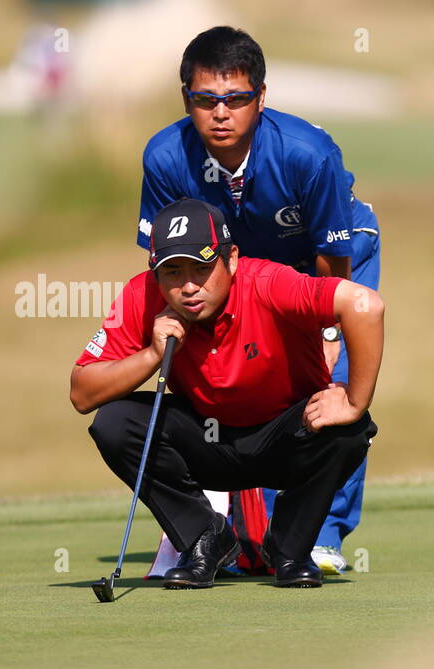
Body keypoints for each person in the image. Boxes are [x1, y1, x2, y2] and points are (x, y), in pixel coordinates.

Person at [137, 25, 380, 576]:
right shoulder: (164, 156)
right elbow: (162, 262)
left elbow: (330, 266)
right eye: (205, 100)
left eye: (237, 99)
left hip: (326, 258)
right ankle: (231, 528)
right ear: (186, 100)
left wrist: (327, 337)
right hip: (230, 265)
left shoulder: (307, 154)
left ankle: (322, 534)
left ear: (261, 97)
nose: (220, 113)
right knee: (241, 379)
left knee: (331, 389)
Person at [71, 199, 383, 589]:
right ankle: (205, 537)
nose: (187, 286)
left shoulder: (269, 282)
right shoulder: (142, 295)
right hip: (208, 440)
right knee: (115, 422)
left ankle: (290, 547)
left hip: (287, 437)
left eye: (202, 268)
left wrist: (355, 400)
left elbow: (366, 305)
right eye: (172, 271)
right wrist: (151, 354)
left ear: (231, 259)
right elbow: (83, 393)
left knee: (351, 430)